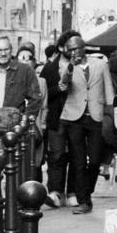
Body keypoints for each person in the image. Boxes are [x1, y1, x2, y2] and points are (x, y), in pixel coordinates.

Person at [0, 35, 44, 208]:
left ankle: (13, 208)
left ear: (11, 51)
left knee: (15, 170)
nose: (3, 53)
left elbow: (35, 98)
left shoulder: (25, 71)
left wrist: (24, 120)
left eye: (6, 49)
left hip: (16, 131)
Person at [51, 31, 112, 214]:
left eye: (76, 49)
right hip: (73, 118)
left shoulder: (100, 64)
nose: (73, 52)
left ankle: (87, 191)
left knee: (94, 161)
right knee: (78, 162)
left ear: (84, 48)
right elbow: (65, 82)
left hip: (95, 116)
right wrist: (70, 65)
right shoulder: (66, 66)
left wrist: (111, 112)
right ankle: (84, 201)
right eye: (70, 50)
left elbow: (108, 89)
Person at [37, 41, 68, 199]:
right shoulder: (49, 68)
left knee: (76, 157)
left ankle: (73, 193)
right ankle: (55, 191)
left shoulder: (81, 67)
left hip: (78, 118)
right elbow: (41, 93)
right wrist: (57, 89)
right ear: (62, 48)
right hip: (57, 117)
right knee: (56, 155)